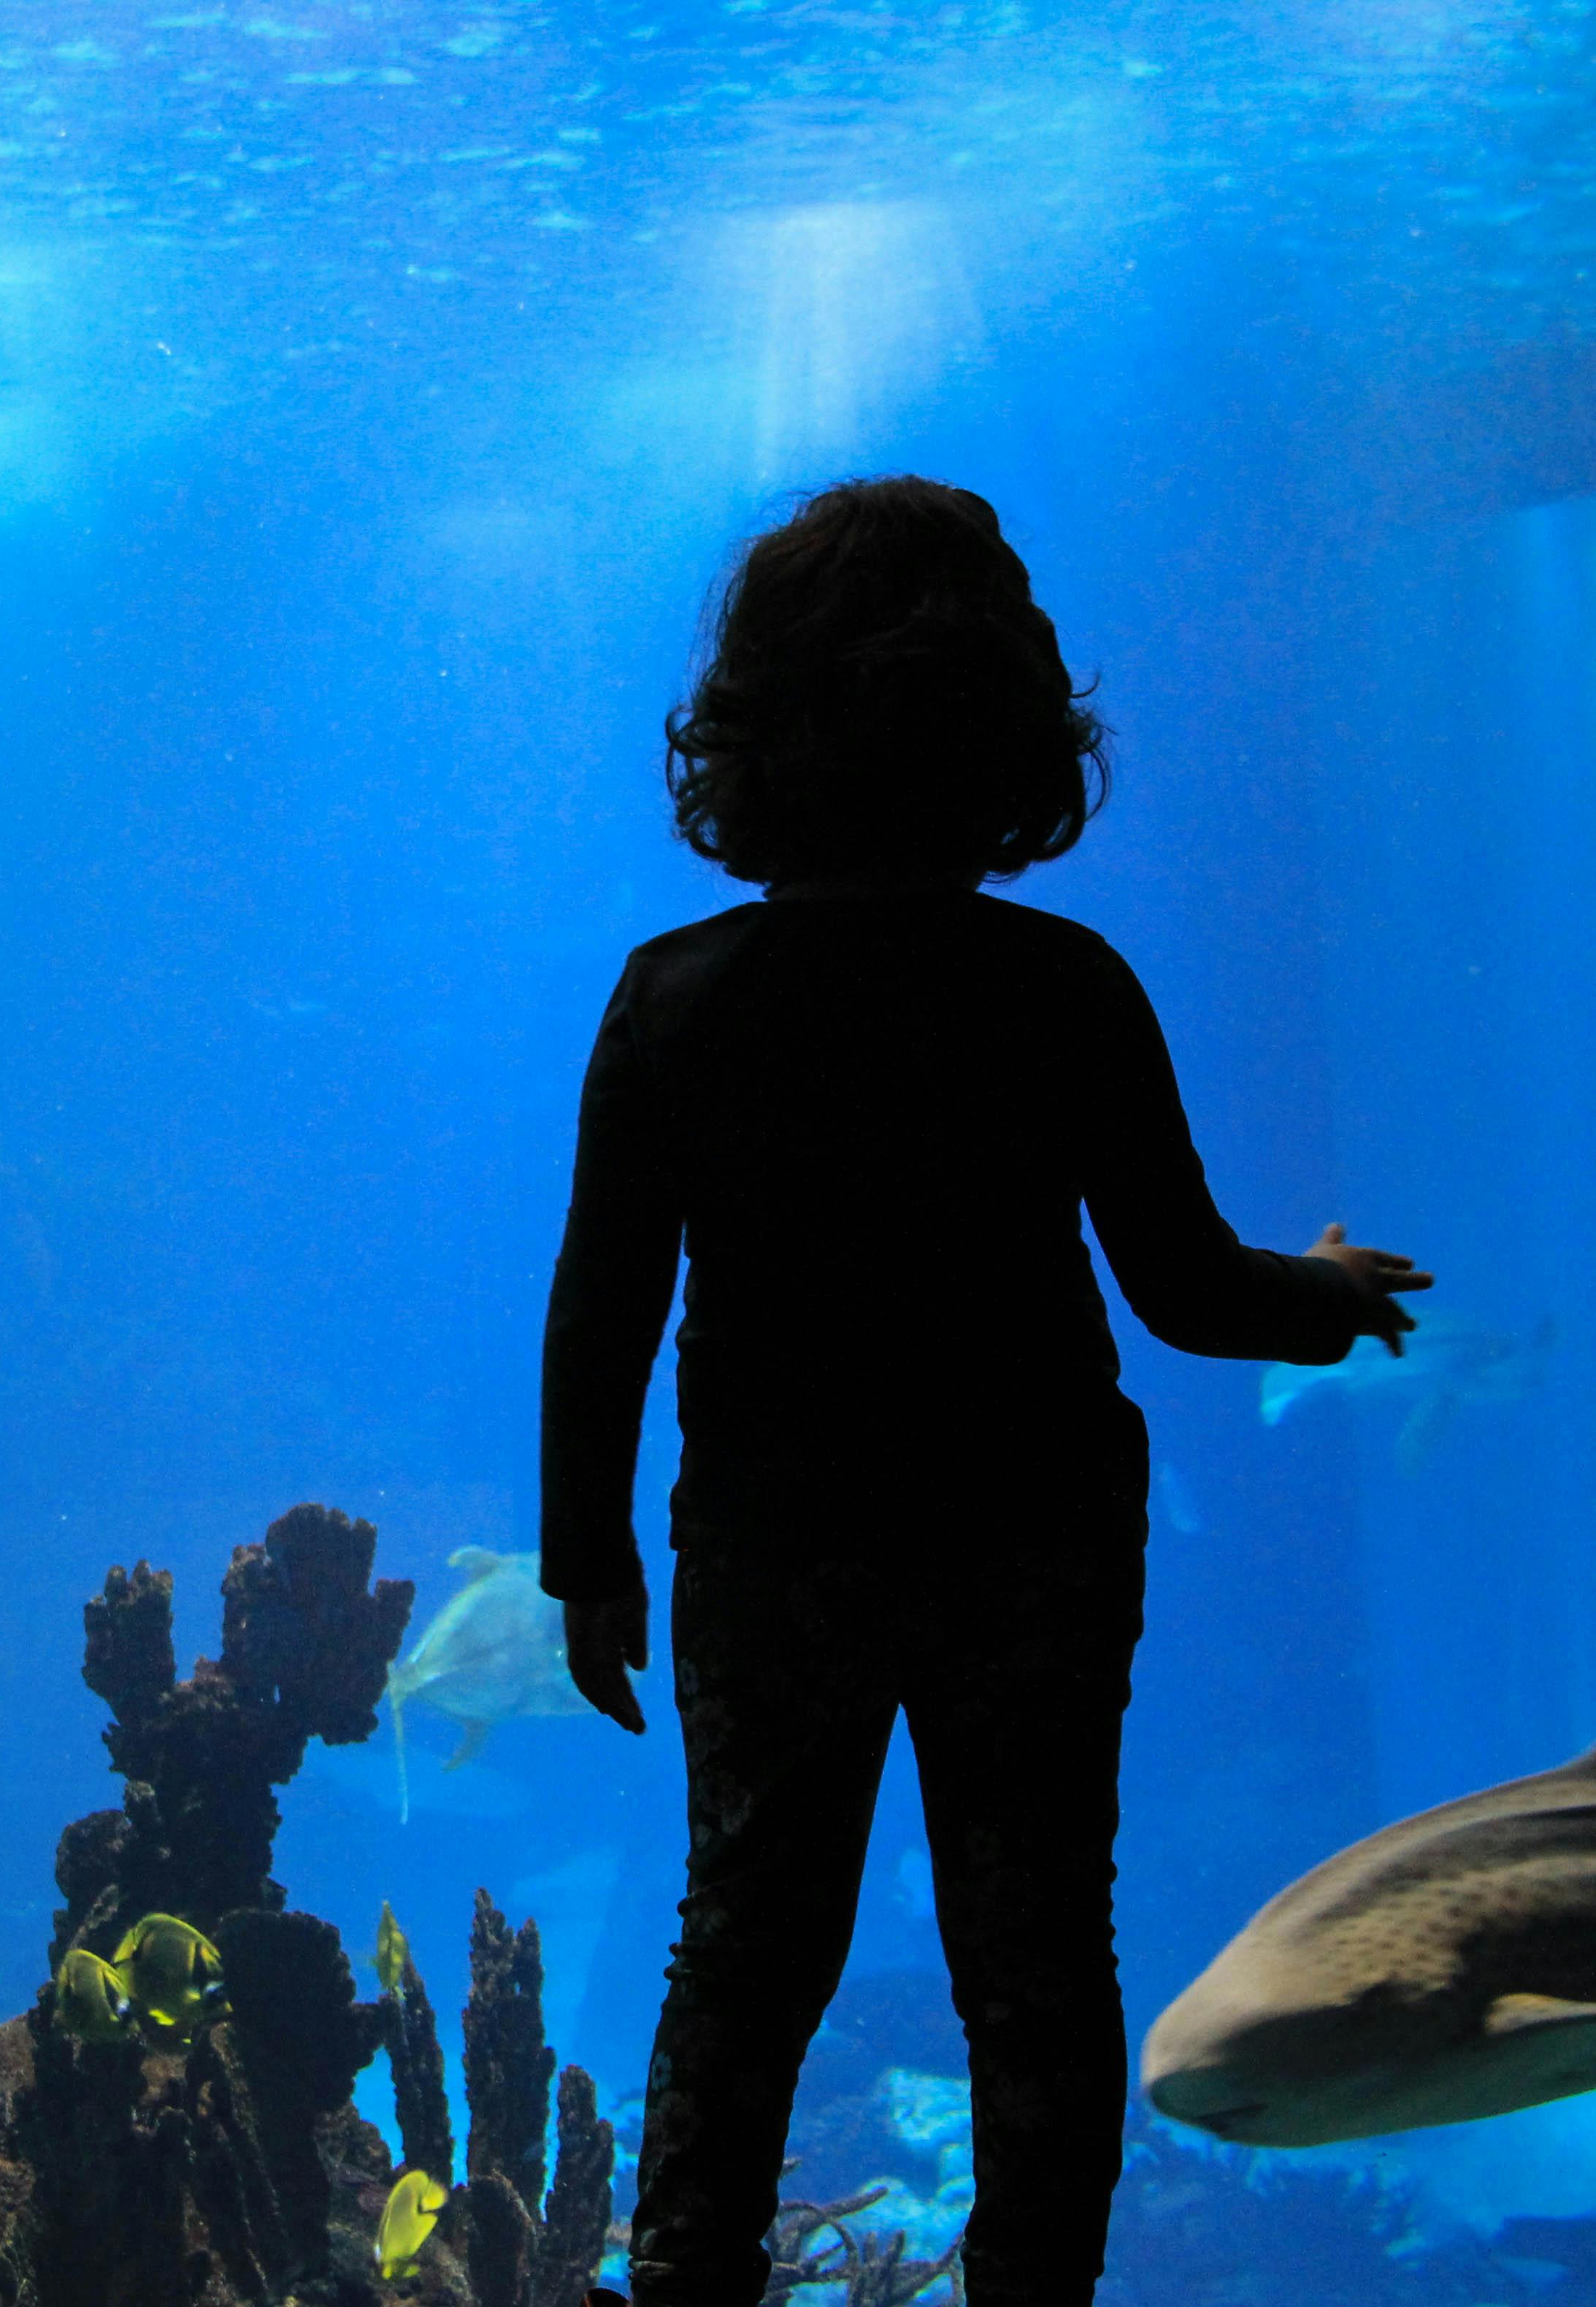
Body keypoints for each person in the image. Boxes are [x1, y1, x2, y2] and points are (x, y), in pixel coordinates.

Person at [538, 477, 1429, 2307]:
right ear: (1011, 718)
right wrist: (1330, 1296)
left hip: (773, 1550)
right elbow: (1184, 1294)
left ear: (753, 721)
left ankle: (686, 2281)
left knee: (743, 1954)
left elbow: (603, 1305)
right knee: (1037, 1966)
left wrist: (585, 1554)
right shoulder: (1065, 987)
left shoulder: (674, 999)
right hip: (1029, 1545)